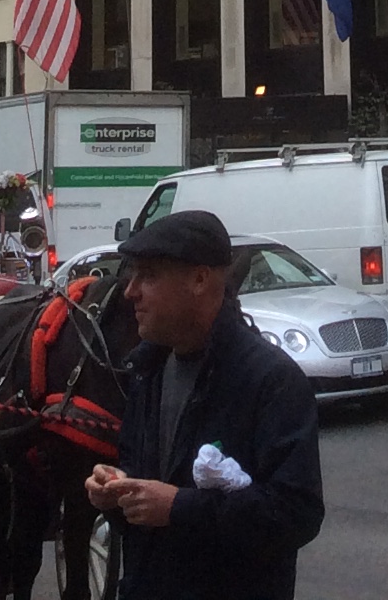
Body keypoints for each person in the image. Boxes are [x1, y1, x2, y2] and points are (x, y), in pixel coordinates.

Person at [85, 207, 324, 600]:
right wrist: (116, 488)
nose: (130, 292)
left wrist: (178, 507)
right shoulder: (147, 371)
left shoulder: (271, 380)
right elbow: (144, 480)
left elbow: (297, 515)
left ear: (200, 279)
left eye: (148, 276)